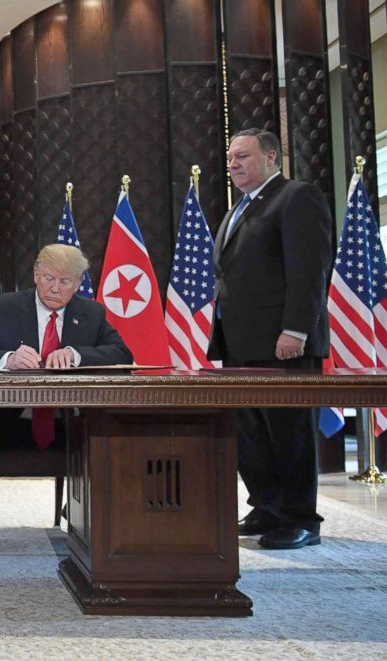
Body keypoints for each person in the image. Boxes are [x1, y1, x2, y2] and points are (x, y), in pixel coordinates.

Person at [0, 244, 132, 546]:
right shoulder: (3, 308)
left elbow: (123, 355)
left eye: (66, 282)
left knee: (119, 444)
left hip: (70, 422)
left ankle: (89, 517)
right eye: (49, 278)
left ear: (79, 284)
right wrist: (8, 359)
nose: (55, 287)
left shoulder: (90, 313)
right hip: (4, 419)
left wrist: (76, 355)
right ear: (36, 275)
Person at [208, 128, 333, 550]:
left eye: (242, 156)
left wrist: (295, 330)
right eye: (230, 158)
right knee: (251, 436)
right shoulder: (238, 209)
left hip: (284, 345)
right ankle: (266, 507)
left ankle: (301, 519)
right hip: (240, 345)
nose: (233, 164)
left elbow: (308, 271)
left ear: (272, 158)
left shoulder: (296, 197)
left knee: (290, 434)